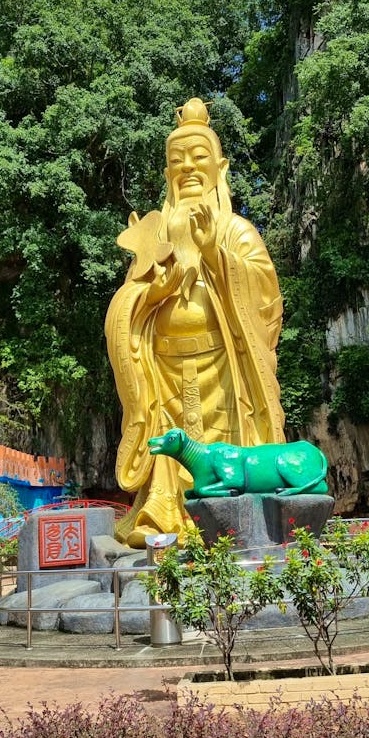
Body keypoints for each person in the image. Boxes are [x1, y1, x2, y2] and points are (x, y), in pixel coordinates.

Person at [105, 98, 285, 547]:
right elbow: (129, 300)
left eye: (198, 157)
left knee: (224, 448)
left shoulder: (236, 230)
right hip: (163, 370)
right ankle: (165, 514)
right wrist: (157, 292)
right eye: (176, 161)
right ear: (167, 174)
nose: (187, 168)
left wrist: (212, 253)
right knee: (169, 449)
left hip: (224, 367)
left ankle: (228, 523)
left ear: (219, 168)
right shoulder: (156, 235)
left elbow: (265, 296)